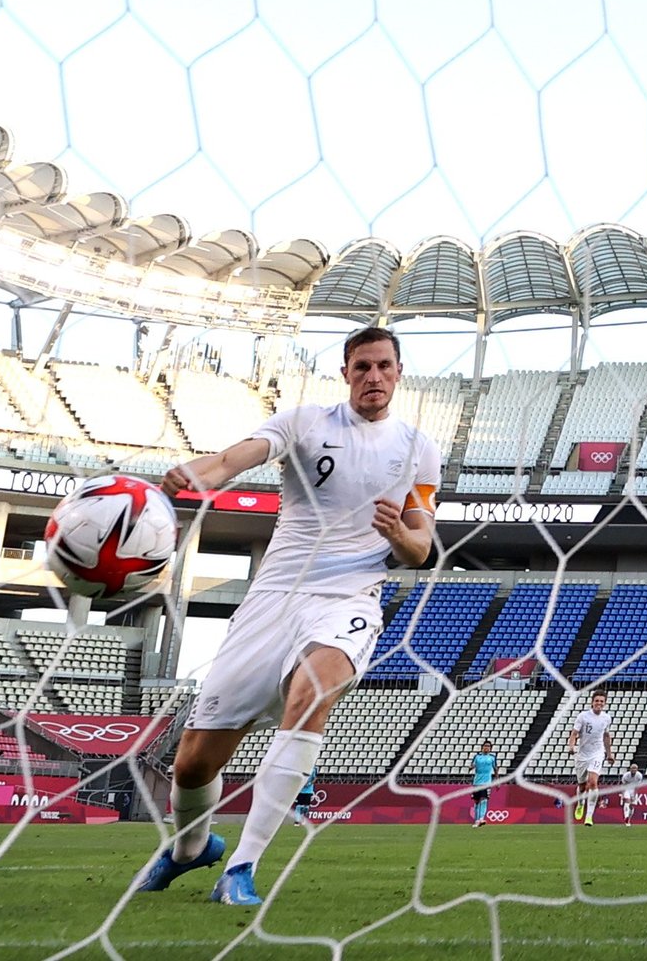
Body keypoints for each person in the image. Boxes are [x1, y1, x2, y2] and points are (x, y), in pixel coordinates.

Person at [136, 326, 439, 906]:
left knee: (313, 692)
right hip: (271, 599)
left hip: (348, 600)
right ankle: (190, 849)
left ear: (398, 373)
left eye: (383, 366)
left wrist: (400, 533)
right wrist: (201, 474)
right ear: (346, 374)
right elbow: (235, 458)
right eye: (361, 367)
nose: (373, 376)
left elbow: (422, 547)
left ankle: (242, 868)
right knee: (193, 764)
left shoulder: (419, 448)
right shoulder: (305, 423)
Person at [566, 690, 613, 827]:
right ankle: (580, 803)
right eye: (597, 701)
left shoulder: (606, 718)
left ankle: (589, 816)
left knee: (592, 782)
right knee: (582, 786)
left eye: (601, 701)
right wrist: (571, 746)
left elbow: (606, 736)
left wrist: (609, 754)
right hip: (582, 754)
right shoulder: (583, 716)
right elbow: (574, 734)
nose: (599, 703)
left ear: (605, 703)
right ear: (592, 702)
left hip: (598, 753)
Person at [471, 740, 497, 827]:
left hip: (486, 783)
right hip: (476, 782)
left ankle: (481, 818)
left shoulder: (492, 758)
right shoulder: (477, 757)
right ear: (482, 747)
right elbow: (471, 766)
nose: (486, 748)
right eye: (485, 746)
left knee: (484, 800)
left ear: (490, 748)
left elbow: (495, 769)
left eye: (488, 746)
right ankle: (477, 820)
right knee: (476, 802)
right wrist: (471, 767)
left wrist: (497, 781)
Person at [619, 762, 643, 827]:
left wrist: (634, 795)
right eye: (632, 768)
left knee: (632, 806)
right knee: (627, 801)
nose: (634, 770)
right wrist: (623, 794)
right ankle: (626, 817)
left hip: (633, 789)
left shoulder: (639, 776)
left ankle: (629, 819)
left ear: (637, 769)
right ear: (630, 769)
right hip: (627, 789)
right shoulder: (626, 776)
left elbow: (637, 786)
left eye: (635, 768)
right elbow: (623, 785)